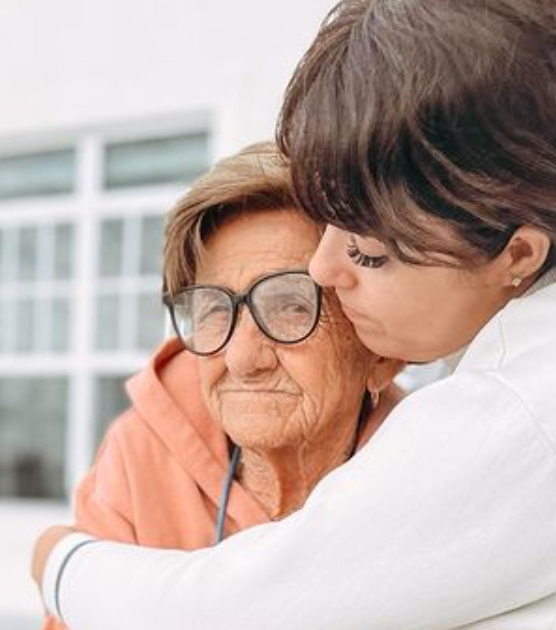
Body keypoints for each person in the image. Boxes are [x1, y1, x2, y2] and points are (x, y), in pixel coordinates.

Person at [31, 0, 556, 628]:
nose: (324, 270)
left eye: (369, 254)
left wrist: (56, 559)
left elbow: (231, 614)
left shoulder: (521, 411)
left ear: (516, 254)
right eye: (328, 229)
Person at [39, 142, 403, 630]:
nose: (241, 359)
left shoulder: (421, 471)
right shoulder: (140, 452)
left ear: (381, 352)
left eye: (291, 305)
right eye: (214, 309)